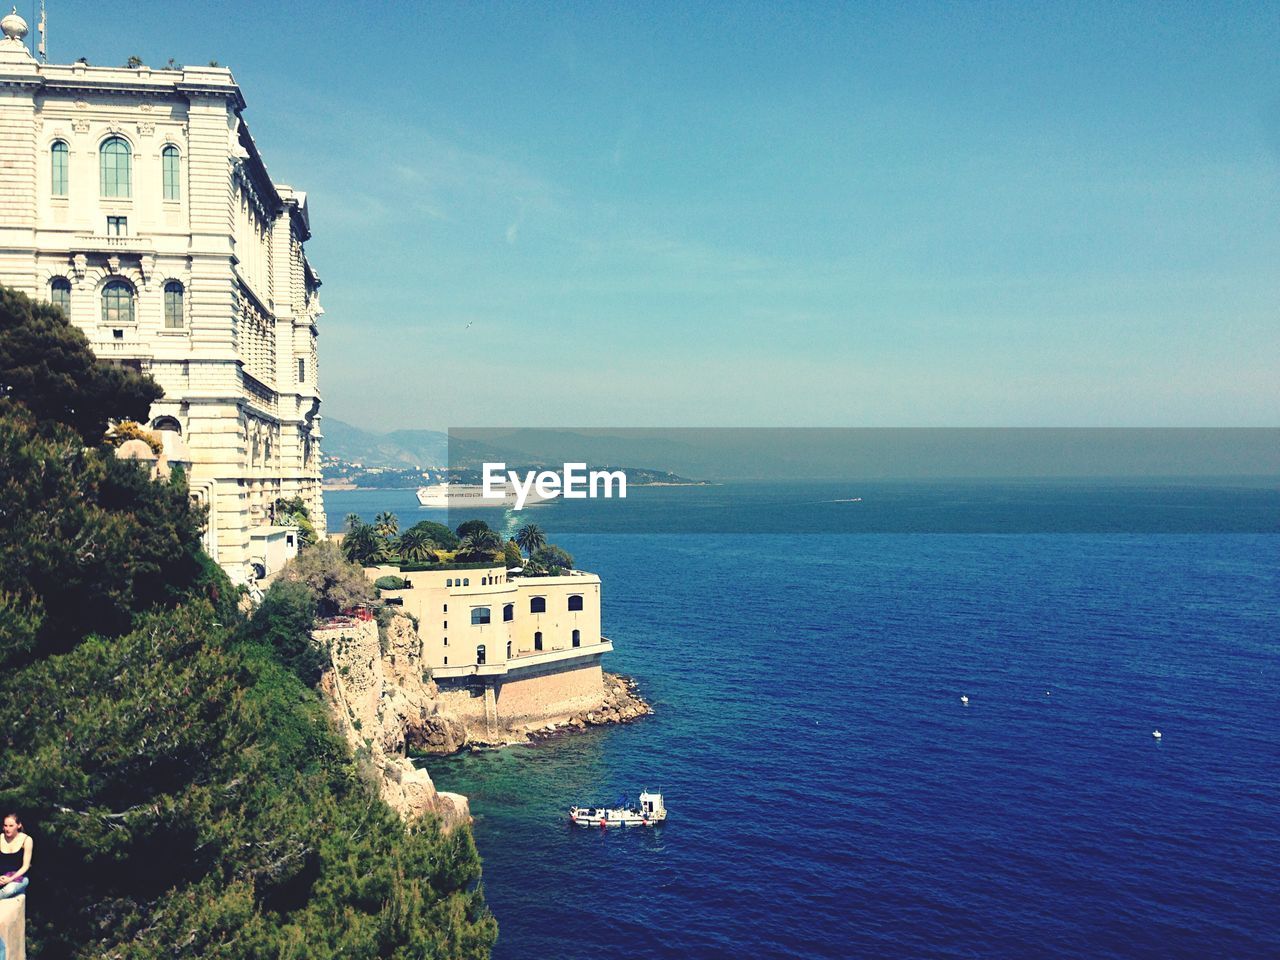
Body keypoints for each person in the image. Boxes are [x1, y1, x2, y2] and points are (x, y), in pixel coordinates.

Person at [0, 813, 31, 899]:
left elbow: (25, 866)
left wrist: (10, 879)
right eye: (5, 826)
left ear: (19, 825)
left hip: (19, 877)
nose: (7, 829)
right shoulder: (0, 838)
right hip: (1, 876)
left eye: (11, 826)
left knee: (9, 890)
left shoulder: (27, 840)